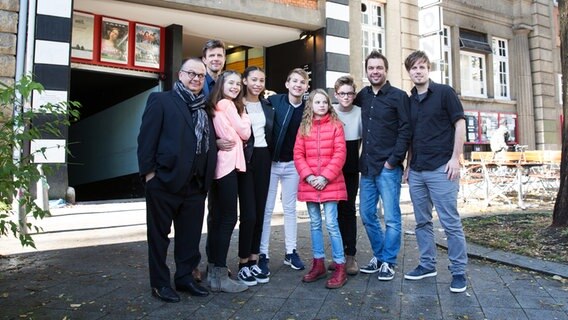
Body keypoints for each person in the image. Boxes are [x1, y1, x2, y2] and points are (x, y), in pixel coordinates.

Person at [137, 57, 216, 302]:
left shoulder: (204, 106)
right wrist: (150, 175)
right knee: (159, 237)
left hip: (195, 185)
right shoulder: (161, 100)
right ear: (180, 75)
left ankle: (184, 278)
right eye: (191, 73)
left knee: (190, 237)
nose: (195, 78)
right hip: (164, 181)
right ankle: (160, 284)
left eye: (200, 76)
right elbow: (146, 140)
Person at [403, 50, 468, 293]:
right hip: (418, 170)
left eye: (422, 67)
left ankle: (459, 271)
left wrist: (455, 158)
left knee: (450, 222)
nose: (418, 71)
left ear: (428, 69)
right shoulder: (409, 100)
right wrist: (409, 165)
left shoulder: (444, 93)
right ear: (409, 72)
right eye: (413, 68)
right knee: (421, 222)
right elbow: (411, 136)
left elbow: (459, 124)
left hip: (443, 167)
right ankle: (427, 264)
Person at [354, 50, 411, 281]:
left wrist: (393, 160)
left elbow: (406, 129)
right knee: (367, 214)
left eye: (379, 68)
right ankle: (379, 255)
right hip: (367, 167)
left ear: (385, 70)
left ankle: (389, 261)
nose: (375, 71)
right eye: (371, 68)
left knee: (392, 218)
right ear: (366, 71)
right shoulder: (363, 95)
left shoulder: (398, 96)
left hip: (388, 167)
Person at [294, 89, 348, 289]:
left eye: (325, 102)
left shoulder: (335, 126)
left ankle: (340, 265)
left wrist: (324, 177)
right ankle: (318, 264)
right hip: (310, 183)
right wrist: (309, 176)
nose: (322, 105)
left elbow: (340, 154)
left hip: (330, 182)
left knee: (332, 224)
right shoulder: (304, 127)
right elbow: (298, 153)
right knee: (315, 223)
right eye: (318, 102)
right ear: (311, 105)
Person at [258, 68, 309, 275]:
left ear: (306, 87)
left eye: (302, 82)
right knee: (267, 209)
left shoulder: (308, 108)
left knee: (290, 209)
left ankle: (291, 252)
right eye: (294, 81)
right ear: (287, 84)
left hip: (293, 165)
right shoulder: (274, 102)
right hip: (271, 163)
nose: (298, 85)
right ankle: (262, 253)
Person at [205, 70, 251, 293]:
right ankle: (221, 275)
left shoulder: (216, 105)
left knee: (218, 219)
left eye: (237, 83)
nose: (234, 87)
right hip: (227, 166)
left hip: (219, 167)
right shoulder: (229, 105)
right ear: (221, 84)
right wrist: (245, 118)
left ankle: (214, 273)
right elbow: (243, 133)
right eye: (230, 83)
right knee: (228, 218)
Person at [235, 67, 274, 285]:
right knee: (248, 214)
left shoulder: (268, 105)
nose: (258, 84)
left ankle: (254, 260)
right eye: (254, 80)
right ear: (244, 81)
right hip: (244, 157)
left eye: (261, 80)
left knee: (260, 211)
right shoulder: (236, 103)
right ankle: (242, 262)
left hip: (263, 157)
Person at [330, 75, 362, 275]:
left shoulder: (361, 112)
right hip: (332, 168)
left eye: (350, 93)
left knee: (348, 210)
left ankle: (350, 256)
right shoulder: (330, 112)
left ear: (354, 94)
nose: (346, 96)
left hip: (350, 168)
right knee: (333, 213)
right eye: (342, 93)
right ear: (336, 94)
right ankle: (338, 255)